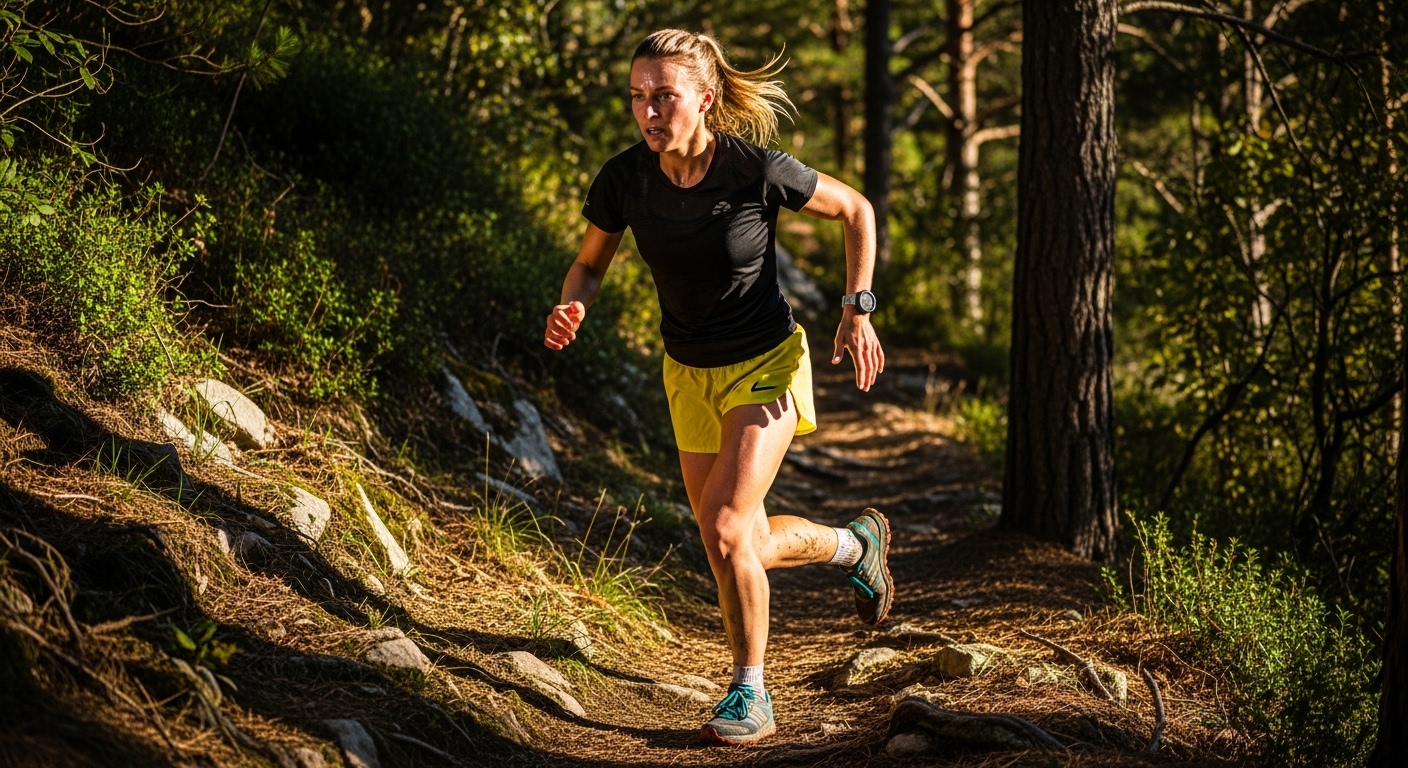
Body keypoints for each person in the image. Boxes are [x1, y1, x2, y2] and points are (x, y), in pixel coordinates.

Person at [543, 29, 892, 746]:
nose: (648, 111)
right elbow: (589, 265)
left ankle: (750, 693)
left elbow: (857, 210)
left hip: (767, 360)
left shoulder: (754, 169)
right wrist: (571, 302)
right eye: (638, 96)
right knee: (741, 539)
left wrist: (858, 310)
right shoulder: (624, 179)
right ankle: (855, 548)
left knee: (725, 528)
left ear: (703, 99)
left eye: (663, 96)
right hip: (688, 372)